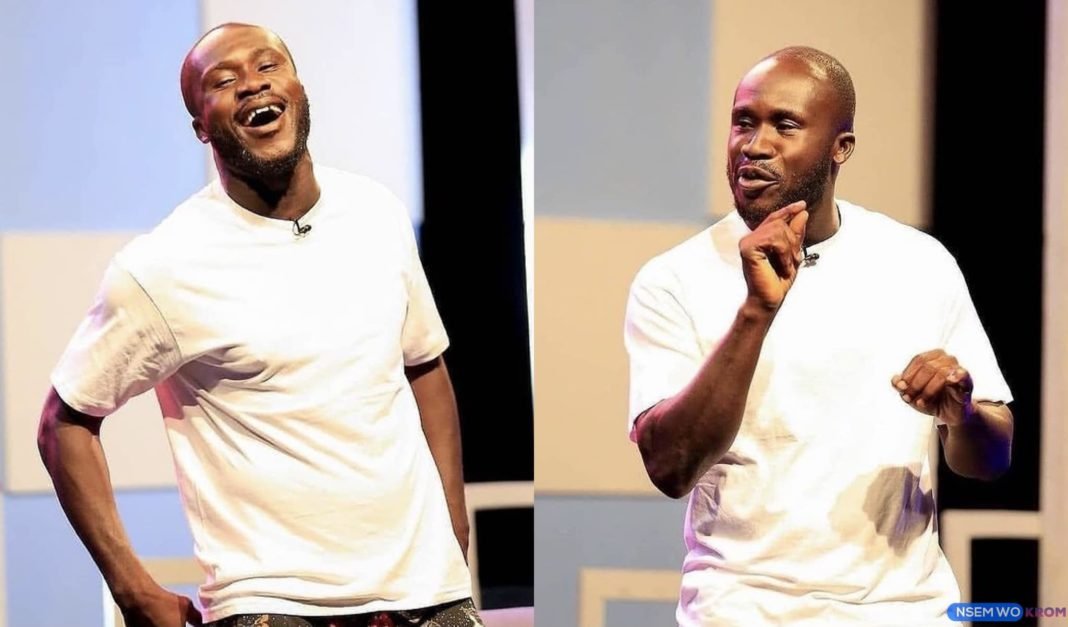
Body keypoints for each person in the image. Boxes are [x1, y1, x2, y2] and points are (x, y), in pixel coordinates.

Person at [36, 23, 483, 627]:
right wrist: (133, 588)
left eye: (267, 66)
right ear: (201, 126)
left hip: (425, 590)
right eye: (223, 81)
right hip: (272, 604)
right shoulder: (162, 266)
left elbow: (424, 365)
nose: (251, 84)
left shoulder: (376, 213)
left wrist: (452, 520)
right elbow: (62, 425)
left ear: (297, 89)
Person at [624, 46, 1013, 626]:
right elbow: (671, 467)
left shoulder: (918, 262)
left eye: (784, 125)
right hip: (746, 611)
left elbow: (992, 457)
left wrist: (961, 414)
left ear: (841, 148)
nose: (754, 145)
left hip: (909, 610)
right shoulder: (672, 279)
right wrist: (756, 311)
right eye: (743, 122)